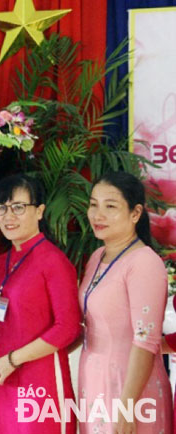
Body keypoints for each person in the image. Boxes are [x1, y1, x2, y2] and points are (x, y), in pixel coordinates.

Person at [0, 174, 80, 433]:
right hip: (0, 378)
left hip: (39, 380)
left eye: (19, 207)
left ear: (40, 211)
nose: (8, 216)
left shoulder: (54, 261)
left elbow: (68, 327)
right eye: (1, 208)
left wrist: (13, 360)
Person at [79, 172, 172, 433]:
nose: (98, 214)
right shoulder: (97, 256)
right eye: (93, 204)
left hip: (130, 388)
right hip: (94, 380)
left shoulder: (144, 263)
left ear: (135, 213)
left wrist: (127, 406)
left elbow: (146, 341)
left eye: (110, 206)